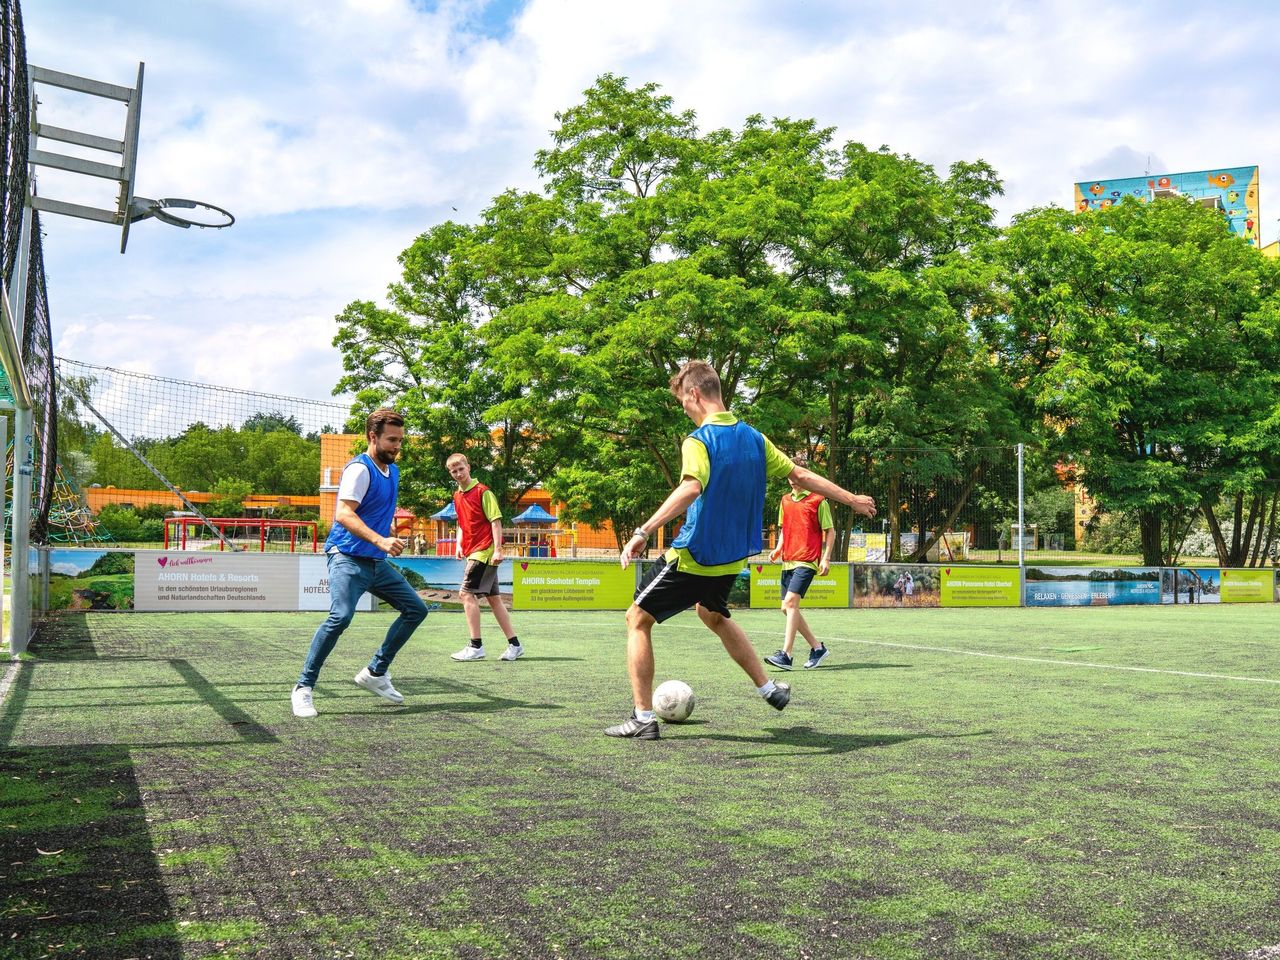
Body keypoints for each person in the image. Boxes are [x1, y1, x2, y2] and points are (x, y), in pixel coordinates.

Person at [607, 361, 877, 739]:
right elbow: (800, 476)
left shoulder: (698, 440)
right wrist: (851, 499)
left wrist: (643, 531)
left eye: (682, 401)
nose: (683, 409)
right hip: (733, 557)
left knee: (637, 619)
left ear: (694, 395)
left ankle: (643, 719)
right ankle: (769, 688)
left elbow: (690, 488)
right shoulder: (754, 437)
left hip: (695, 554)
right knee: (713, 615)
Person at [292, 409, 427, 718]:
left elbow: (373, 511)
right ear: (372, 437)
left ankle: (376, 672)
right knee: (340, 617)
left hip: (375, 561)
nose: (397, 446)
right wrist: (380, 540)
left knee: (416, 609)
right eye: (391, 440)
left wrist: (387, 531)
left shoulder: (393, 471)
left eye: (400, 440)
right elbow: (343, 514)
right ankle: (303, 688)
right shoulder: (359, 469)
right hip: (347, 557)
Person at [446, 453, 523, 662]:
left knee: (465, 594)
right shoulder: (457, 496)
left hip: (485, 550)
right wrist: (459, 544)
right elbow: (461, 523)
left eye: (461, 469)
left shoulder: (483, 492)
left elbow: (496, 521)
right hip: (473, 550)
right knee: (494, 599)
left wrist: (498, 549)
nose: (458, 474)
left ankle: (475, 646)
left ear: (468, 467)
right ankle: (515, 645)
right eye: (454, 471)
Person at [763, 471, 836, 671]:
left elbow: (830, 531)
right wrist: (778, 548)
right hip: (788, 560)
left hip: (807, 560)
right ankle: (817, 648)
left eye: (796, 477)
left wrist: (826, 558)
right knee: (786, 608)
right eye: (790, 476)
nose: (792, 480)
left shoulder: (818, 500)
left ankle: (786, 655)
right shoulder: (785, 500)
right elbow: (784, 529)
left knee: (790, 603)